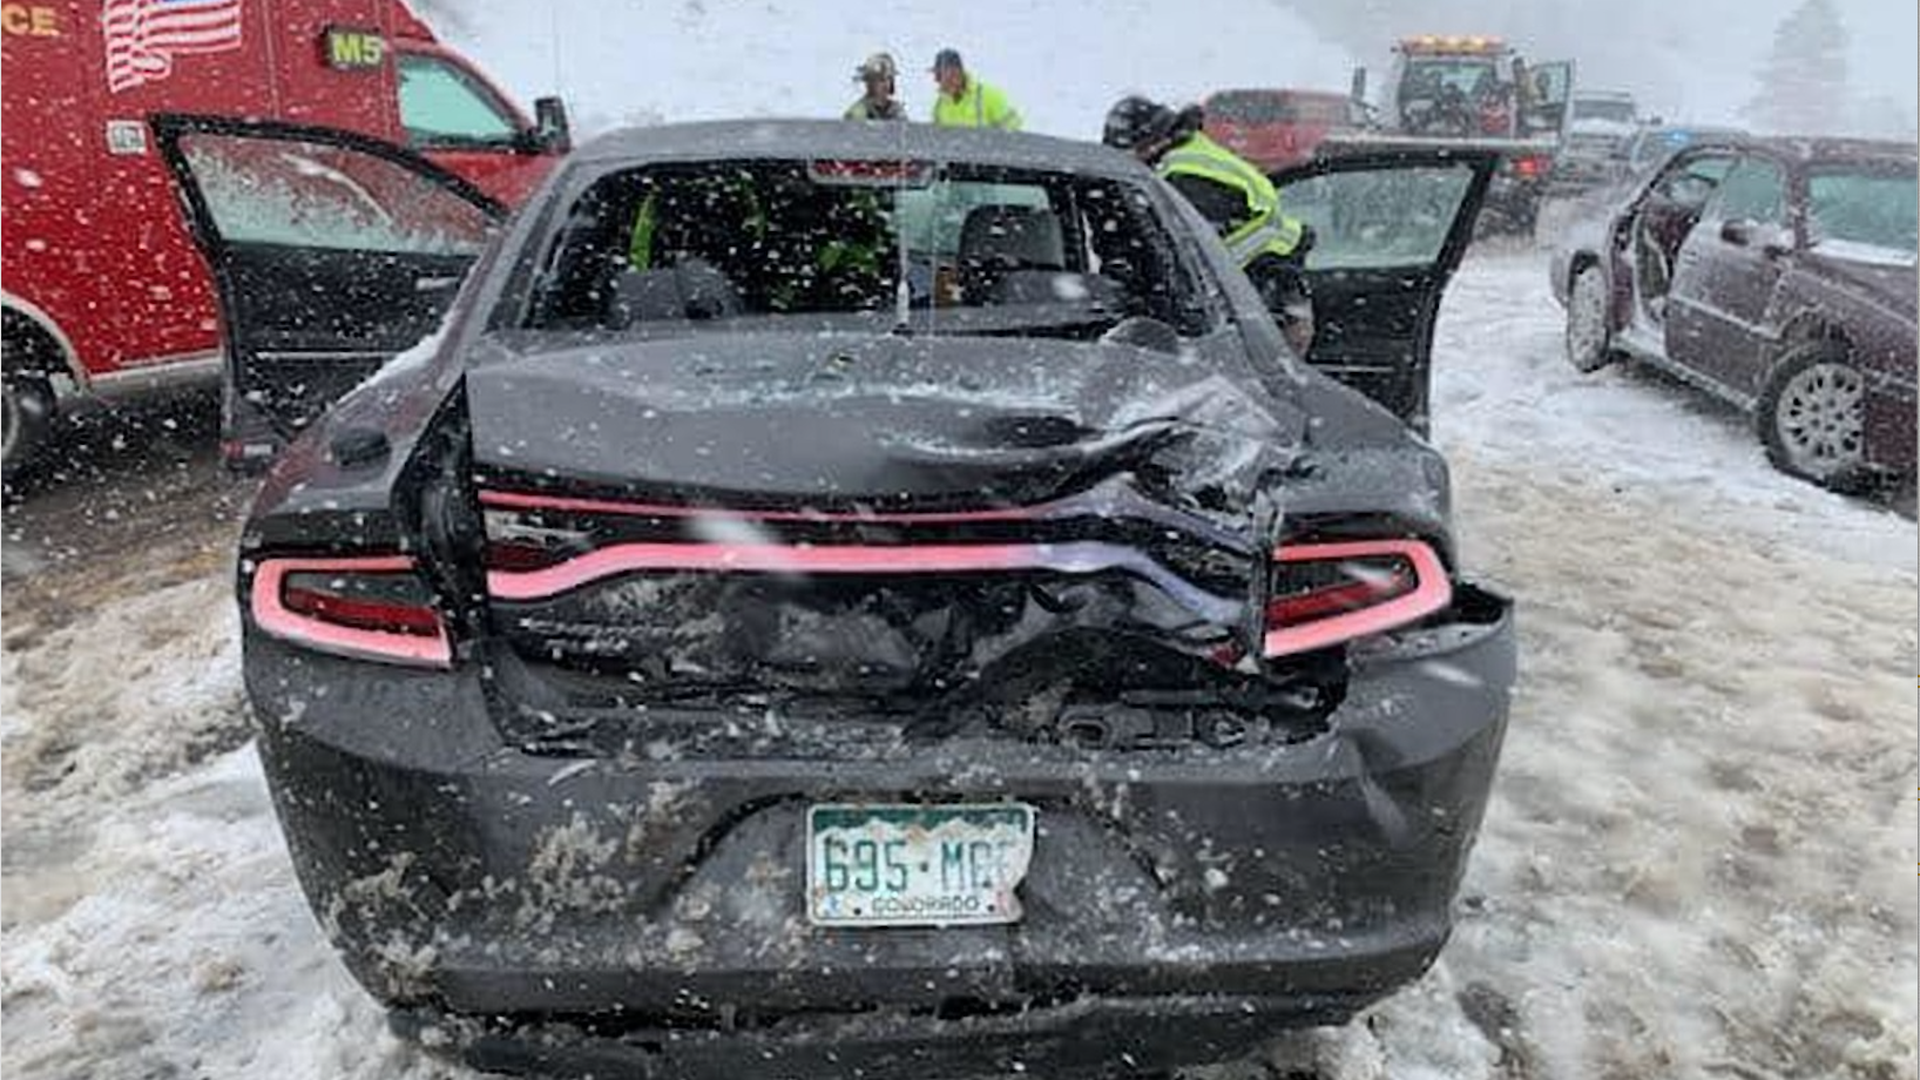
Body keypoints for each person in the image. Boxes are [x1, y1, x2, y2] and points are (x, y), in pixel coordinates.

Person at [1101, 95, 1315, 353]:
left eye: (1127, 153)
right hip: (1271, 288)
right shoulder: (1190, 153)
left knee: (1249, 387)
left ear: (1148, 141)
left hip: (1260, 297)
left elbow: (1183, 263)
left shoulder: (1185, 177)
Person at [928, 48, 1021, 130]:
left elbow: (1014, 132)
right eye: (938, 77)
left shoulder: (988, 96)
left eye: (945, 76)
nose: (941, 82)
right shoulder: (939, 108)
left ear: (959, 72)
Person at [845, 52, 906, 121]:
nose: (886, 85)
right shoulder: (857, 114)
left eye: (889, 79)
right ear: (870, 84)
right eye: (881, 80)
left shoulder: (897, 112)